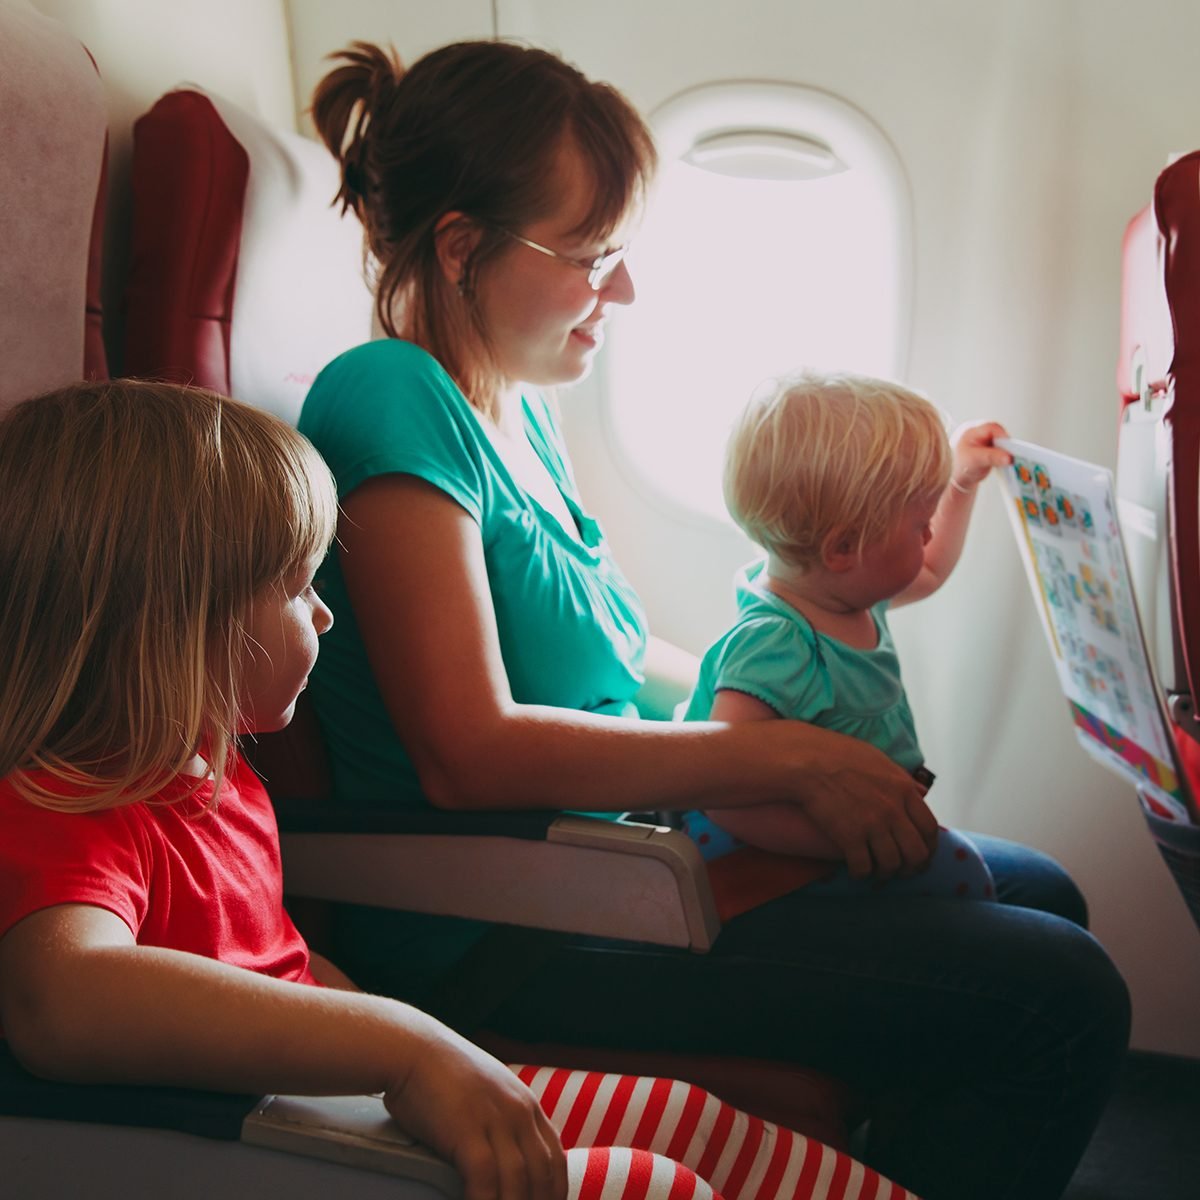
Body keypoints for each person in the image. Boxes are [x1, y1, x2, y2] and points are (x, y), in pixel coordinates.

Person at [300, 38, 1131, 1200]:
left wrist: (786, 711)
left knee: (1045, 895)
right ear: (459, 248)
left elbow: (624, 665)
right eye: (592, 256)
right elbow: (464, 750)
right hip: (509, 917)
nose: (623, 290)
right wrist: (780, 754)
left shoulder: (518, 414)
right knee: (1063, 994)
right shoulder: (389, 397)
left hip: (623, 857)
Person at [0, 379, 917, 1200]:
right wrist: (403, 1046)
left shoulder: (220, 782)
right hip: (249, 1146)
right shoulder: (64, 807)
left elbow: (281, 972)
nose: (324, 612)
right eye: (295, 587)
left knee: (700, 1122)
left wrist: (412, 1045)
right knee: (655, 1181)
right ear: (175, 623)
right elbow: (61, 999)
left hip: (317, 1113)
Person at [679, 372, 1005, 902]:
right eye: (919, 521)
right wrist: (836, 842)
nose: (928, 534)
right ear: (843, 549)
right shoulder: (777, 643)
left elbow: (931, 570)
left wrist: (961, 482)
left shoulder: (846, 591)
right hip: (770, 858)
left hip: (841, 834)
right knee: (962, 873)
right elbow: (719, 787)